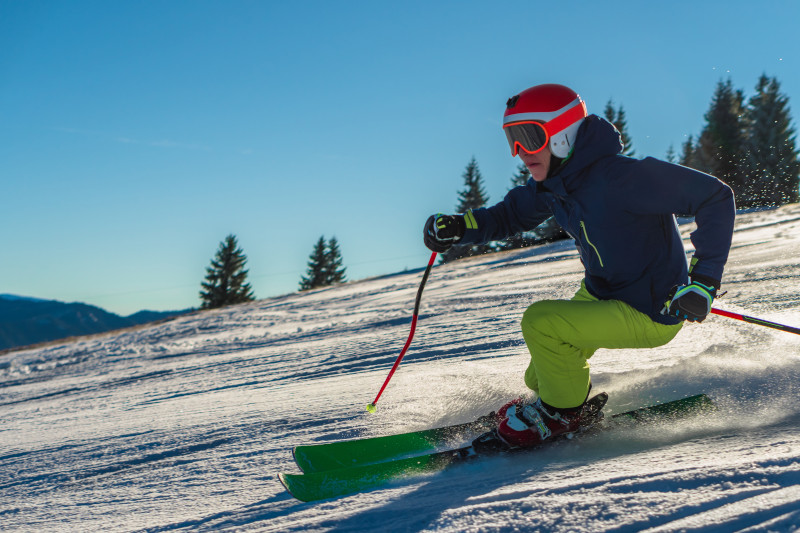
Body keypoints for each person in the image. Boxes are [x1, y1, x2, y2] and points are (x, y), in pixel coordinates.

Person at [423, 84, 735, 449]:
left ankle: (561, 414)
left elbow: (714, 196)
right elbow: (511, 215)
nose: (520, 152)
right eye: (513, 139)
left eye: (529, 137)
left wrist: (703, 282)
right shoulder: (556, 185)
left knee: (543, 324)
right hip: (604, 294)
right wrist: (460, 227)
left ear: (563, 134)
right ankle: (561, 402)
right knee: (540, 375)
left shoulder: (621, 177)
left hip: (650, 308)